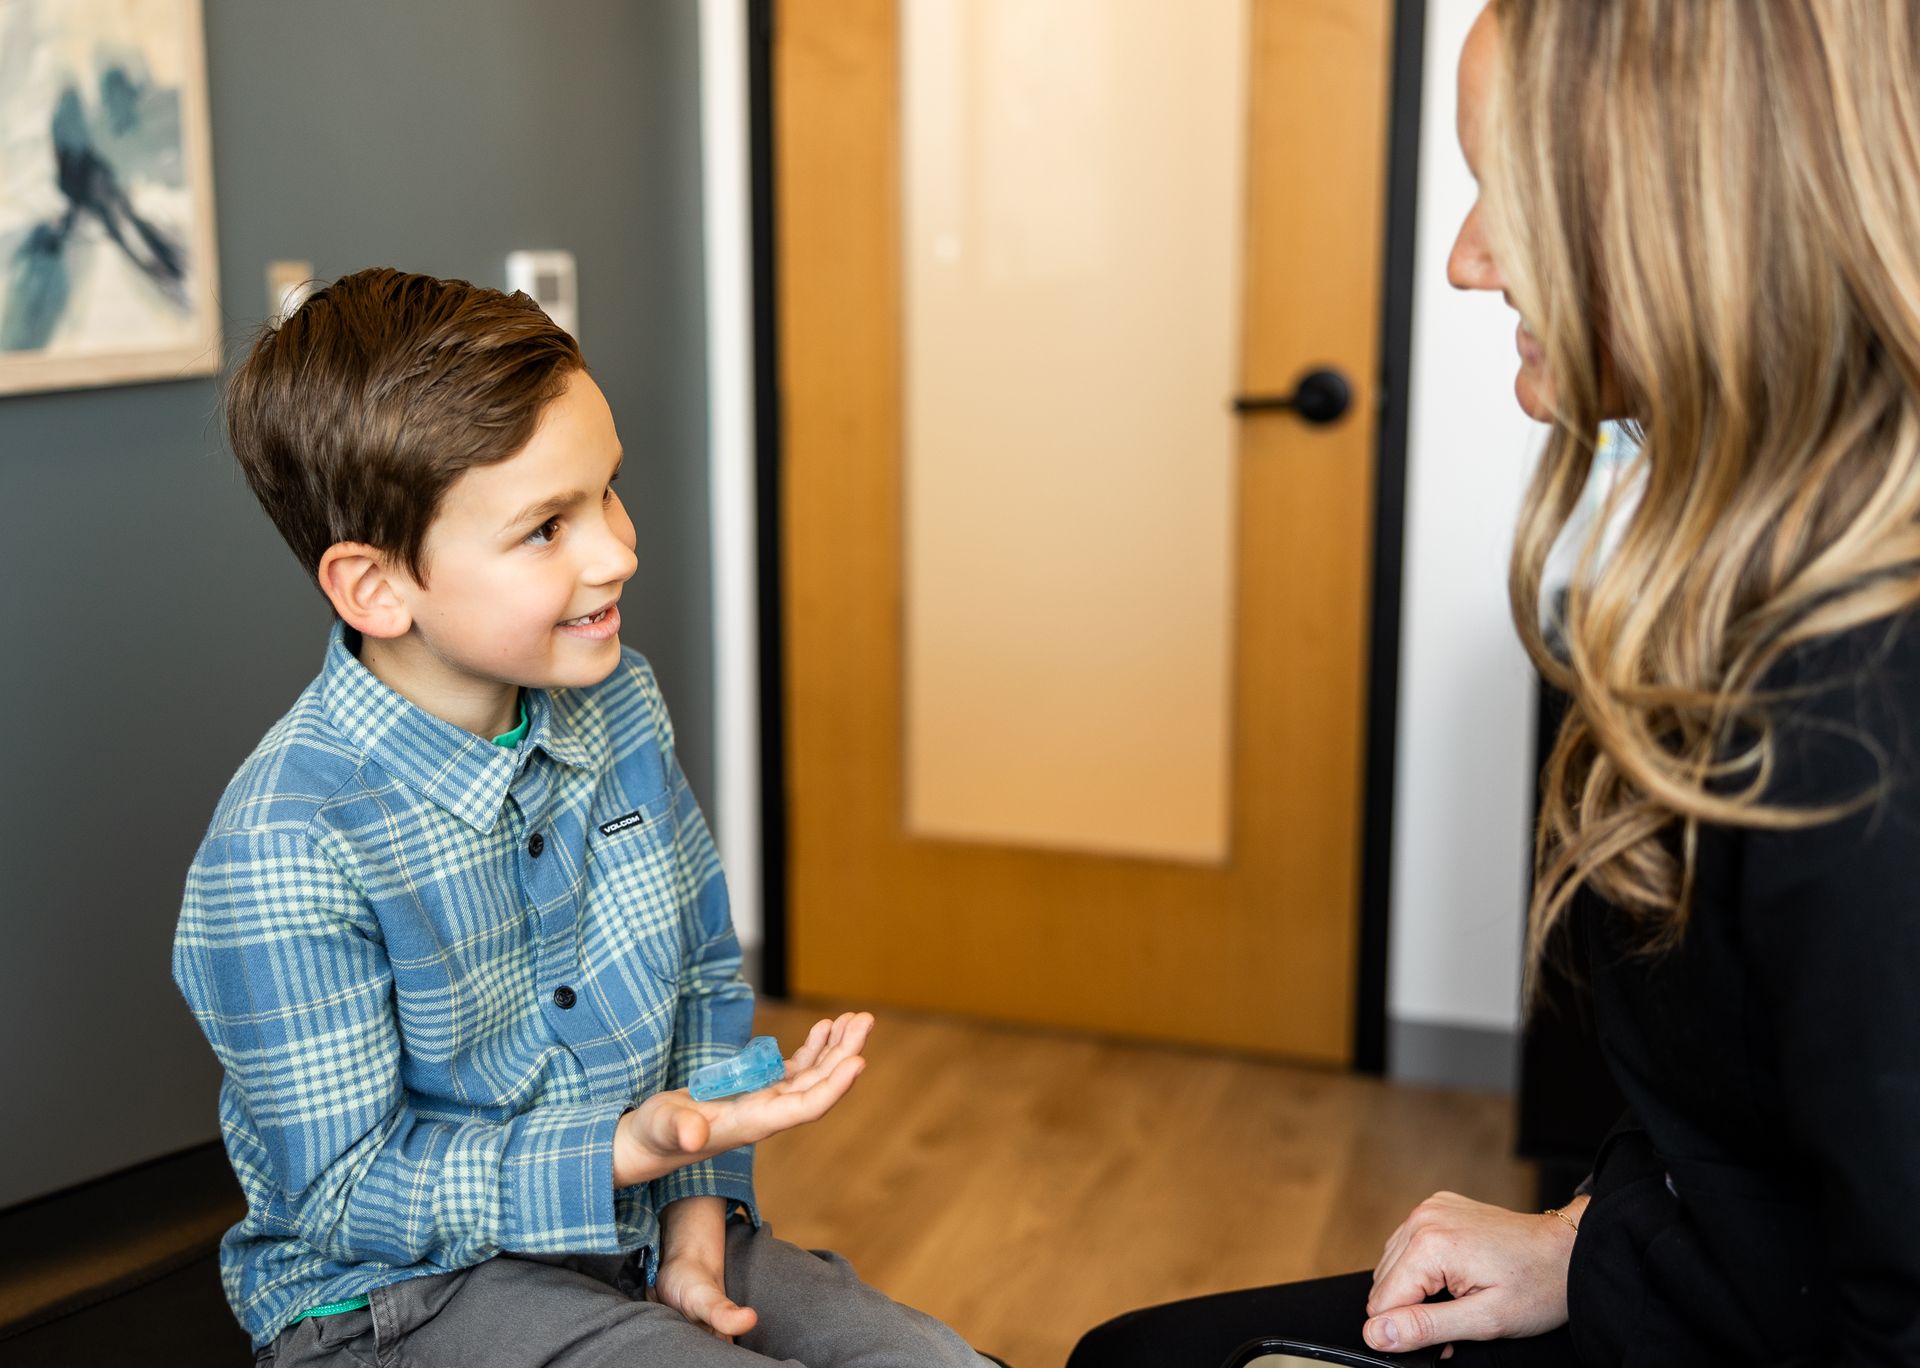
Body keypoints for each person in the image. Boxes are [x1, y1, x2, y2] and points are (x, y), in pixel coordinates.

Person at [1069, 0, 1920, 1363]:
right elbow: (1767, 1152)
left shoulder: (1861, 728)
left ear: (1707, 211)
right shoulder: (1749, 593)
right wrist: (1585, 1239)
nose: (1467, 260)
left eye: (1510, 193)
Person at [172, 268, 987, 1367]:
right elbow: (349, 1193)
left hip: (635, 1226)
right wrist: (619, 1150)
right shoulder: (286, 847)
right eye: (547, 529)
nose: (616, 549)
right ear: (375, 588)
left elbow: (701, 975)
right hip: (400, 1299)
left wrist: (696, 1217)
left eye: (606, 491)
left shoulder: (620, 702)